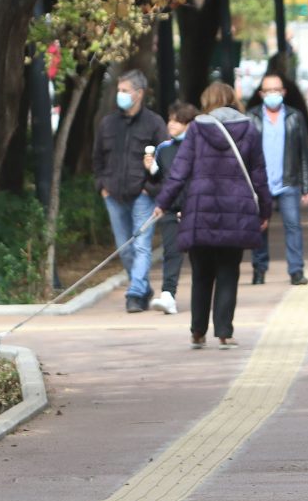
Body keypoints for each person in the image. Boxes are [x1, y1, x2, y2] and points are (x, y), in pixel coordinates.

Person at [155, 82, 271, 349]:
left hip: (200, 211)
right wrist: (264, 210)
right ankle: (224, 331)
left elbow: (179, 171)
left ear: (206, 100)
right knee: (229, 271)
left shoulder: (196, 129)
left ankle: (197, 331)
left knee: (202, 274)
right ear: (231, 99)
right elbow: (259, 175)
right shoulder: (249, 129)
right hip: (237, 212)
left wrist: (163, 202)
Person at [93, 69, 167, 313]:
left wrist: (151, 188)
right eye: (119, 90)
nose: (120, 95)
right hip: (113, 195)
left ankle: (135, 293)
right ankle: (142, 287)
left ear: (139, 93)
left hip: (142, 196)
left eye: (125, 90)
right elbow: (97, 159)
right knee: (124, 248)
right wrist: (102, 186)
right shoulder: (108, 123)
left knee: (142, 245)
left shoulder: (154, 123)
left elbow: (166, 159)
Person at [248, 73, 308, 286]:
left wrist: (307, 186)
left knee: (293, 225)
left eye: (277, 90)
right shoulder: (252, 118)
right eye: (268, 91)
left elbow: (304, 154)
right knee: (259, 226)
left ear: (284, 92)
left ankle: (296, 270)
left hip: (288, 181)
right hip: (260, 183)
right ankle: (259, 269)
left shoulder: (294, 117)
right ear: (261, 94)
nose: (273, 94)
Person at [146, 102, 199, 315]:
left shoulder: (198, 148)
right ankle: (168, 294)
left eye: (177, 121)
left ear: (188, 124)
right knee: (171, 251)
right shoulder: (163, 149)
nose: (171, 124)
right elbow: (162, 180)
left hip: (195, 209)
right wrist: (151, 169)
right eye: (171, 120)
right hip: (169, 209)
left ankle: (202, 296)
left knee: (199, 255)